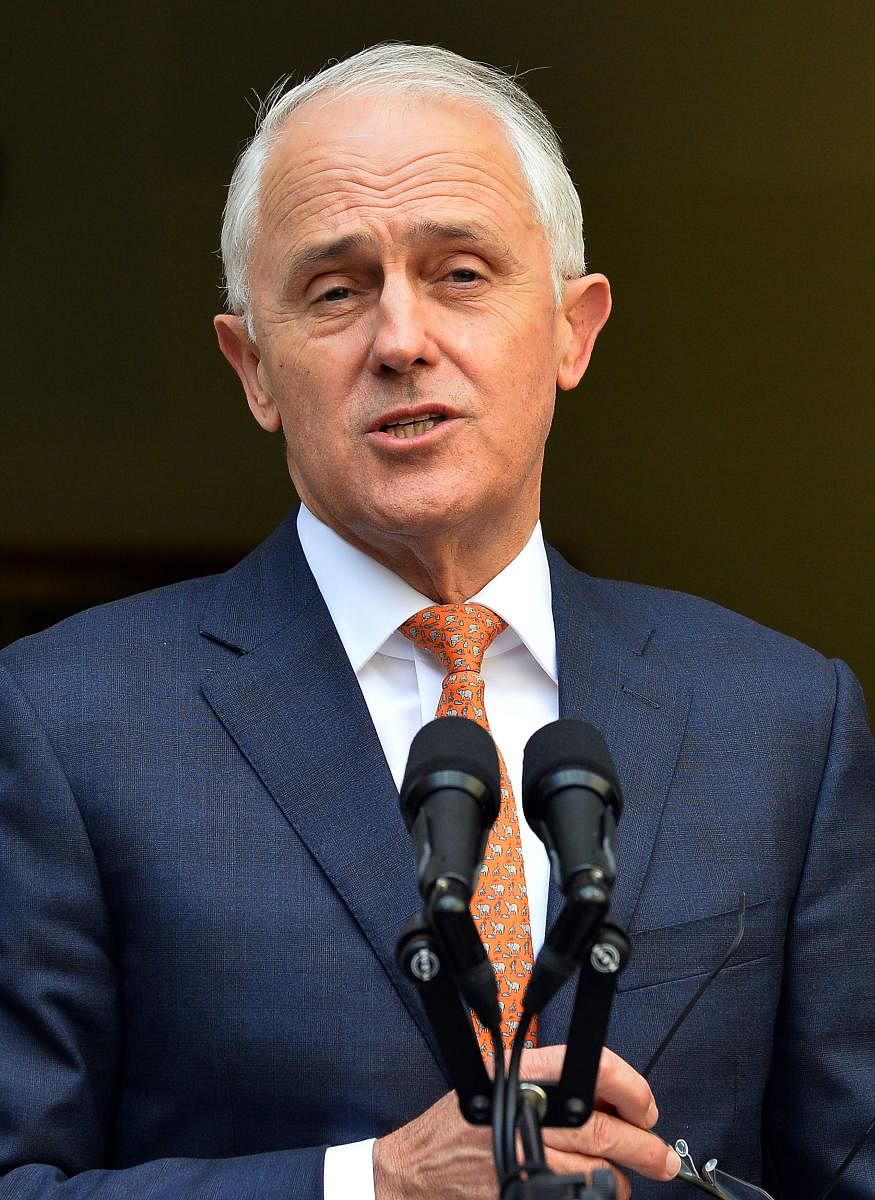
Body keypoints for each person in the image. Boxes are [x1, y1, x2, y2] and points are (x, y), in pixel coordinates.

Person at [0, 43, 872, 1200]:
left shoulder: (779, 720)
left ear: (573, 330)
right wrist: (370, 1184)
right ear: (252, 367)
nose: (401, 340)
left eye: (460, 273)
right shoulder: (64, 722)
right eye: (335, 289)